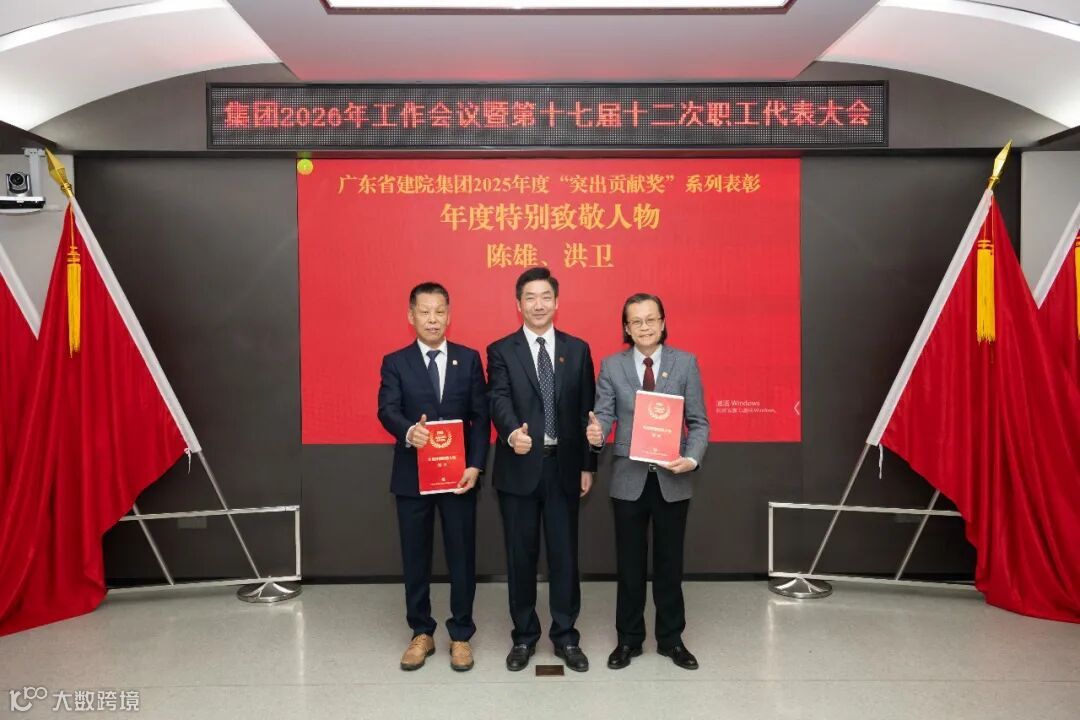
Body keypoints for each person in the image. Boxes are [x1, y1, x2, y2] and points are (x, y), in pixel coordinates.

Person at [587, 292, 709, 671]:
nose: (644, 327)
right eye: (636, 321)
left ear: (663, 322)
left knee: (670, 565)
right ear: (626, 328)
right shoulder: (611, 366)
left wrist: (691, 458)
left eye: (651, 319)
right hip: (629, 480)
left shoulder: (685, 363)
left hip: (673, 479)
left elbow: (699, 422)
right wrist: (596, 434)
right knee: (630, 566)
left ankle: (671, 640)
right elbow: (604, 416)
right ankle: (628, 640)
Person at [487, 267, 597, 672]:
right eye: (530, 297)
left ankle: (566, 637)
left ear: (557, 301)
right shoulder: (502, 350)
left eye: (545, 297)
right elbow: (498, 398)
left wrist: (588, 465)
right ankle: (524, 637)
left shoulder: (577, 349)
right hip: (519, 467)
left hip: (563, 468)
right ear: (518, 304)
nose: (538, 304)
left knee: (565, 556)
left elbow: (587, 410)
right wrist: (509, 432)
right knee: (521, 557)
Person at [377, 282, 489, 672]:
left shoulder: (468, 359)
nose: (432, 319)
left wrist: (476, 464)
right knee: (415, 556)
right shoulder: (396, 362)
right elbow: (387, 409)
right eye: (424, 312)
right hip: (413, 477)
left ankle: (461, 634)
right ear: (411, 316)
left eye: (439, 311)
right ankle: (421, 632)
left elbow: (480, 418)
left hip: (459, 478)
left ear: (449, 315)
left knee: (462, 556)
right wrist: (410, 431)